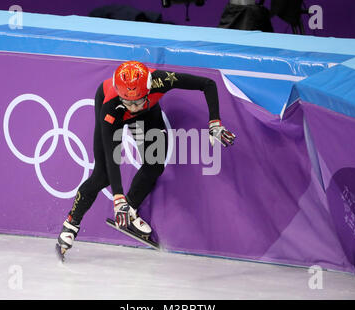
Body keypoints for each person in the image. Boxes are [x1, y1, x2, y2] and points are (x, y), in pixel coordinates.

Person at [57, 61, 236, 254]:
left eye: (137, 101)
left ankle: (131, 210)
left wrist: (215, 122)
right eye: (129, 102)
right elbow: (112, 156)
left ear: (149, 88)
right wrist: (118, 197)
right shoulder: (110, 106)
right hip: (117, 112)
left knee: (155, 165)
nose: (133, 108)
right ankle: (71, 223)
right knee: (102, 176)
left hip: (148, 113)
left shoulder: (161, 81)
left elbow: (208, 84)